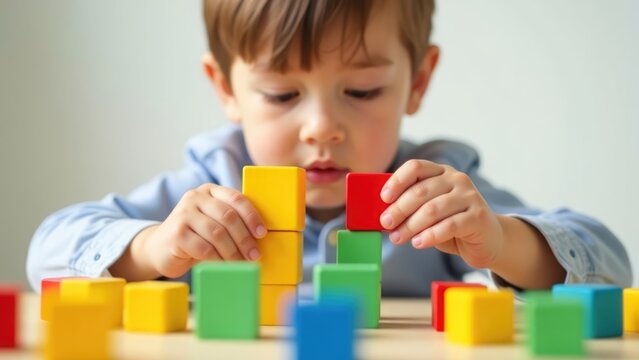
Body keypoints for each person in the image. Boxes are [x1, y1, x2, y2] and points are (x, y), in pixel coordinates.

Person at [27, 0, 632, 296]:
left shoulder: (430, 194)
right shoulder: (209, 185)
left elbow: (609, 261)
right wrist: (152, 247)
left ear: (417, 82)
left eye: (362, 90)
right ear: (226, 88)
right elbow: (50, 248)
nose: (321, 127)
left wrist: (500, 242)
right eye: (282, 93)